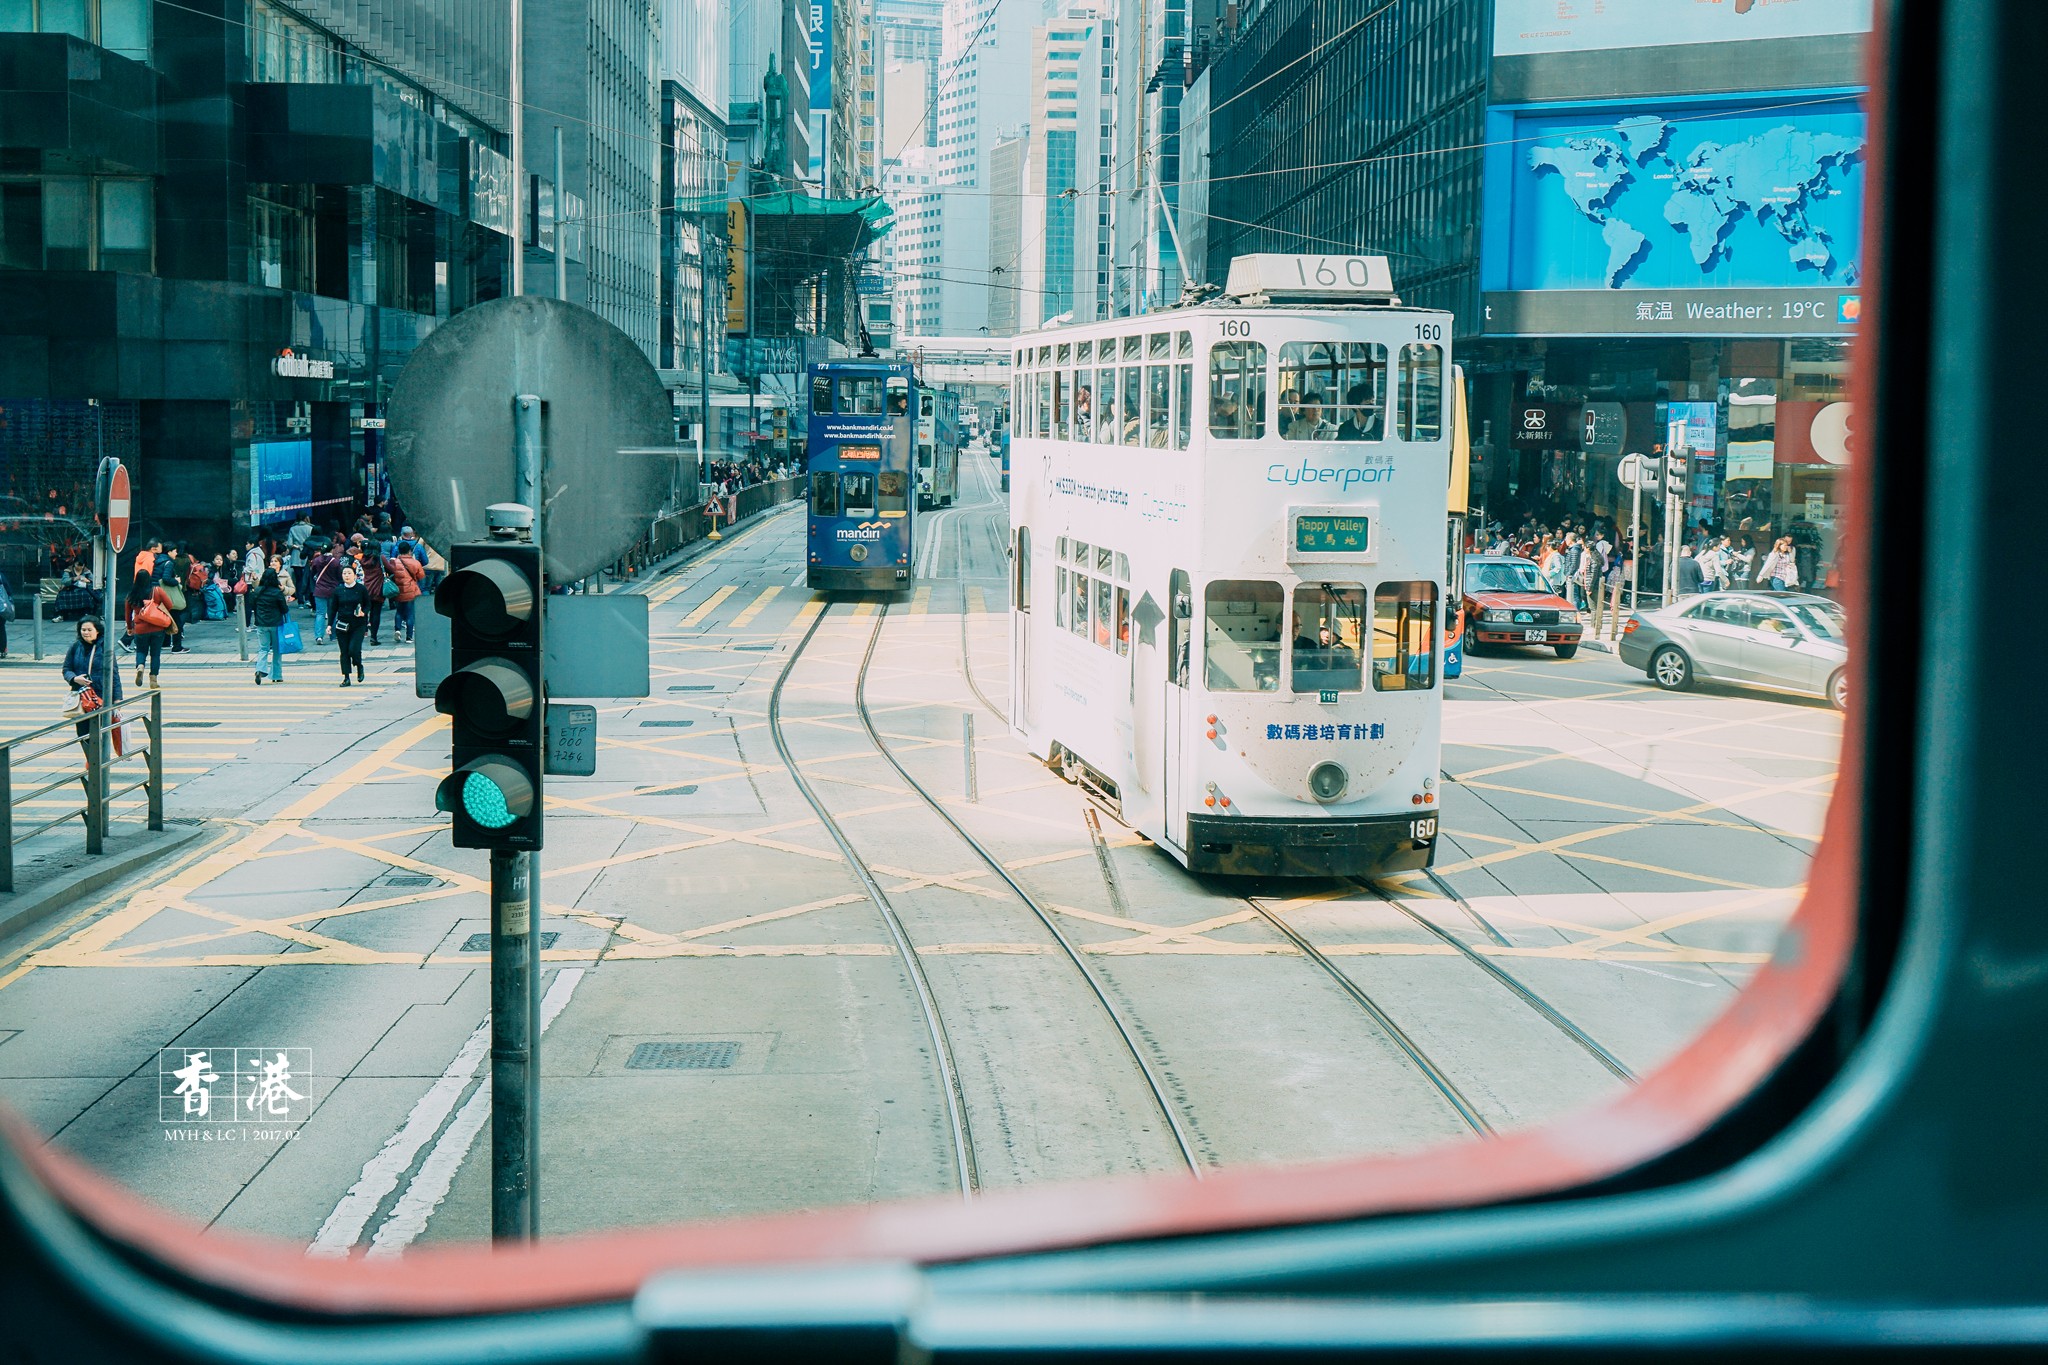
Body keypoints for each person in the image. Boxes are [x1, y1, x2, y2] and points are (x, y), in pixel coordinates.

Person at [61, 617, 122, 779]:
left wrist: (117, 700)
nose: (86, 633)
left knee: (100, 732)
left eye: (89, 629)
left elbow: (114, 674)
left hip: (101, 697)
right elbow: (66, 669)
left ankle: (97, 763)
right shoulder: (75, 647)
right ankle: (91, 760)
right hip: (81, 697)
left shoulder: (106, 649)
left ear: (98, 631)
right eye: (83, 630)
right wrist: (74, 678)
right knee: (82, 733)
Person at [125, 569, 172, 690]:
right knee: (155, 654)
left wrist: (130, 628)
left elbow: (127, 613)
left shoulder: (131, 594)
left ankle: (140, 666)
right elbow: (170, 605)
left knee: (141, 651)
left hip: (140, 629)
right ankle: (153, 680)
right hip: (157, 627)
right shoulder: (156, 591)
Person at [248, 568, 290, 684]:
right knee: (277, 650)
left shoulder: (257, 591)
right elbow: (284, 609)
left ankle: (260, 669)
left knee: (263, 649)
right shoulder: (277, 592)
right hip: (276, 624)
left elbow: (252, 606)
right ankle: (276, 675)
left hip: (261, 624)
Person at [331, 562, 369, 685]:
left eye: (349, 573)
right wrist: (329, 625)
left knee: (354, 649)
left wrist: (364, 612)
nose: (346, 576)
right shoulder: (338, 590)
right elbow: (333, 608)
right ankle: (346, 677)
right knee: (344, 651)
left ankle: (359, 666)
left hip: (358, 624)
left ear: (355, 576)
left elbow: (368, 604)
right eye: (344, 573)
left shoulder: (361, 589)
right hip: (342, 624)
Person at [385, 543, 423, 643]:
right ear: (410, 551)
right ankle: (409, 637)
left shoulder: (394, 562)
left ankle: (397, 629)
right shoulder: (415, 563)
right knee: (410, 614)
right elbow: (421, 576)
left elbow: (390, 572)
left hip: (398, 591)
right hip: (411, 590)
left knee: (399, 612)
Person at [354, 536, 388, 645]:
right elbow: (391, 569)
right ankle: (374, 637)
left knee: (366, 612)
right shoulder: (380, 558)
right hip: (378, 589)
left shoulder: (363, 558)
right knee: (376, 613)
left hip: (366, 588)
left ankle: (363, 632)